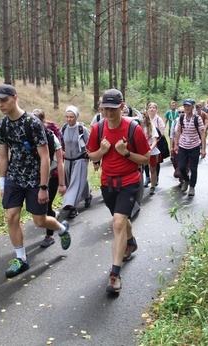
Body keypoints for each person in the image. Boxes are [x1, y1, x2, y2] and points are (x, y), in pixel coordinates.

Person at [0, 84, 71, 278]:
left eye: (4, 100)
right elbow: (2, 156)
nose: (1, 104)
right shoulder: (2, 125)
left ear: (15, 98)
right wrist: (2, 183)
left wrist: (43, 186)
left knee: (39, 221)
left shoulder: (32, 123)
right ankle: (21, 259)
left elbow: (44, 157)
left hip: (35, 179)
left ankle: (60, 228)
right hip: (14, 178)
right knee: (11, 216)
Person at [87, 89, 151, 294]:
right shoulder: (97, 129)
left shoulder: (134, 129)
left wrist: (126, 153)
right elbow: (92, 156)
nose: (109, 112)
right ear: (100, 108)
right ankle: (131, 241)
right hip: (107, 183)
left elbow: (146, 158)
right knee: (121, 220)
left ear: (122, 107)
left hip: (130, 181)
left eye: (113, 108)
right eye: (105, 108)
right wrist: (103, 151)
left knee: (117, 222)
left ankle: (114, 275)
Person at [31, 109, 67, 248]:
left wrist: (62, 184)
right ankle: (54, 217)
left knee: (47, 205)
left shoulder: (52, 137)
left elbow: (60, 162)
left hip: (51, 176)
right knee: (41, 207)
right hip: (35, 176)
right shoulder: (29, 136)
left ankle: (50, 234)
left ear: (43, 122)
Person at [60, 106, 92, 218]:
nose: (69, 119)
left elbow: (90, 143)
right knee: (73, 181)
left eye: (71, 117)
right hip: (68, 160)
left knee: (75, 182)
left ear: (76, 117)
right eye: (67, 117)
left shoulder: (81, 129)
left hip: (81, 159)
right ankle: (87, 195)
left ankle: (71, 206)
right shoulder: (63, 129)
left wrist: (92, 157)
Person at [173, 98, 206, 197]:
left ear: (192, 106)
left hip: (194, 146)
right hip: (183, 146)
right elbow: (178, 131)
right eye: (185, 106)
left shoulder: (197, 118)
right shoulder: (181, 118)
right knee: (182, 167)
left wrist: (203, 149)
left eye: (188, 106)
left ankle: (192, 187)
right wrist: (176, 144)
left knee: (193, 168)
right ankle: (186, 180)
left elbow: (202, 134)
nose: (186, 108)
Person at [143, 102, 165, 188]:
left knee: (155, 163)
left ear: (156, 109)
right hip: (146, 146)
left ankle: (155, 178)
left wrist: (156, 139)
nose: (152, 109)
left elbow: (162, 131)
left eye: (153, 108)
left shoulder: (158, 119)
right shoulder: (142, 123)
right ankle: (147, 177)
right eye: (150, 107)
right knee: (145, 163)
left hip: (156, 143)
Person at [139, 110, 160, 195]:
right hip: (141, 151)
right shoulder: (137, 127)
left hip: (151, 150)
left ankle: (153, 186)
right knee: (140, 169)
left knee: (152, 169)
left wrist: (150, 148)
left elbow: (155, 140)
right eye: (140, 117)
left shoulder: (151, 126)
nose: (142, 119)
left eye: (143, 117)